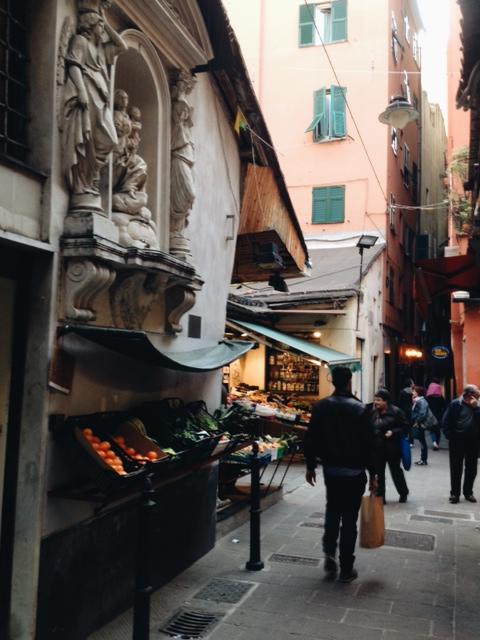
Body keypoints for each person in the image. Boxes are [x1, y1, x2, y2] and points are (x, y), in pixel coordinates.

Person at [304, 366, 376, 583]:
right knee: (349, 520)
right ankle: (346, 567)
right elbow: (370, 444)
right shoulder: (360, 409)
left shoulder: (321, 406)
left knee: (333, 512)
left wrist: (310, 466)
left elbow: (311, 438)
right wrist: (374, 474)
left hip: (332, 470)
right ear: (349, 381)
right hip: (355, 472)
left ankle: (329, 554)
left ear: (332, 381)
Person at [62, 7, 127, 208]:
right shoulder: (80, 41)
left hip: (101, 100)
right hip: (88, 94)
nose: (102, 29)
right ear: (90, 26)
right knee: (87, 138)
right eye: (99, 25)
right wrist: (81, 91)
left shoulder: (102, 50)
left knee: (110, 140)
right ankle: (82, 185)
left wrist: (105, 22)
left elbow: (122, 46)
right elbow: (74, 65)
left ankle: (89, 180)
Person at [442, 384, 480, 504]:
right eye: (477, 392)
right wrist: (450, 436)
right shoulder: (455, 404)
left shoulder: (478, 405)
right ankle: (455, 494)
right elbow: (446, 420)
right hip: (457, 441)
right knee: (456, 468)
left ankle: (468, 492)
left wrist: (476, 408)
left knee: (472, 468)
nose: (479, 393)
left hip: (473, 441)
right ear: (469, 394)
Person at [371, 388, 409, 503]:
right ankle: (380, 496)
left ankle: (403, 492)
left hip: (392, 448)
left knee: (396, 472)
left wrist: (393, 432)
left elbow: (405, 427)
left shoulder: (397, 412)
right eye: (375, 400)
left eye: (378, 400)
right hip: (377, 448)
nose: (376, 402)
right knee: (379, 473)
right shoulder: (373, 413)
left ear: (386, 401)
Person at [411, 386, 432, 465]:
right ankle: (423, 459)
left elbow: (422, 413)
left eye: (414, 391)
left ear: (418, 393)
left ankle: (423, 460)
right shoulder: (418, 401)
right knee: (422, 441)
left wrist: (417, 421)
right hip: (419, 423)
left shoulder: (421, 401)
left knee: (422, 441)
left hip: (420, 424)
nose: (412, 392)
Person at [426, 379, 447, 450]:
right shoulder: (440, 397)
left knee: (432, 429)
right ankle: (437, 443)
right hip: (438, 415)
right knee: (437, 430)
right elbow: (444, 406)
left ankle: (434, 442)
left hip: (430, 415)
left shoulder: (428, 397)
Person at [396, 377, 414, 444]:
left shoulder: (402, 392)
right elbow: (412, 402)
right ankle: (411, 441)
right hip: (410, 410)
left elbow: (399, 401)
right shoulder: (412, 392)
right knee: (410, 426)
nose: (413, 384)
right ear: (410, 384)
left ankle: (405, 438)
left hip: (403, 410)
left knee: (404, 425)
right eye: (412, 383)